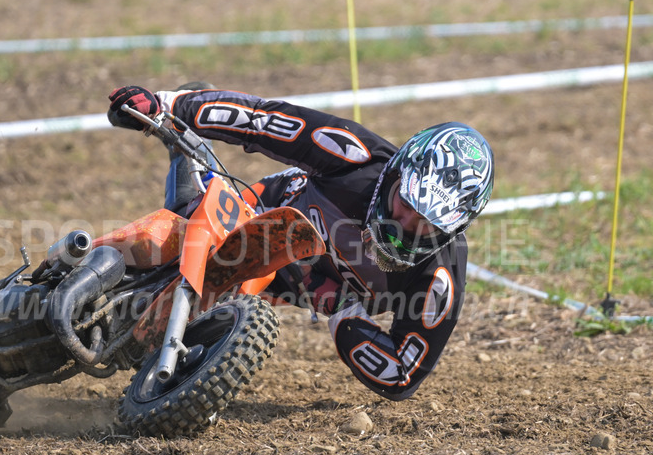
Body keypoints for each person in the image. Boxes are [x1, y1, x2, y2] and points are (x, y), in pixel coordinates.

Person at [106, 84, 494, 401]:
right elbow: (263, 119)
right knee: (173, 228)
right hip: (255, 211)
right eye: (407, 204)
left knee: (207, 311)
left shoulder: (441, 273)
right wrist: (167, 106)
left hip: (292, 286)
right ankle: (98, 252)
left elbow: (402, 375)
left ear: (453, 227)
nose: (407, 225)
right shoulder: (357, 158)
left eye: (426, 223)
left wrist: (343, 311)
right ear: (398, 174)